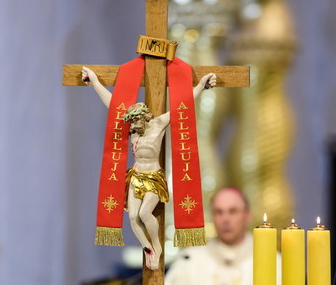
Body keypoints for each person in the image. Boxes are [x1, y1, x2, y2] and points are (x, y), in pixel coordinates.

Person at [82, 66, 216, 270]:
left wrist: (200, 86)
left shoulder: (158, 123)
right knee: (133, 216)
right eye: (131, 120)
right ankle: (147, 248)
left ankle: (156, 246)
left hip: (153, 176)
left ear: (144, 116)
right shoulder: (132, 129)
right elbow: (113, 104)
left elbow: (182, 106)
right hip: (136, 175)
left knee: (145, 214)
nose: (133, 124)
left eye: (136, 119)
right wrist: (94, 83)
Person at [166, 187, 280, 285]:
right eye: (219, 212)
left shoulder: (273, 261)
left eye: (233, 211)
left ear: (247, 216)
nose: (225, 219)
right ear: (212, 216)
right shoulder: (190, 260)